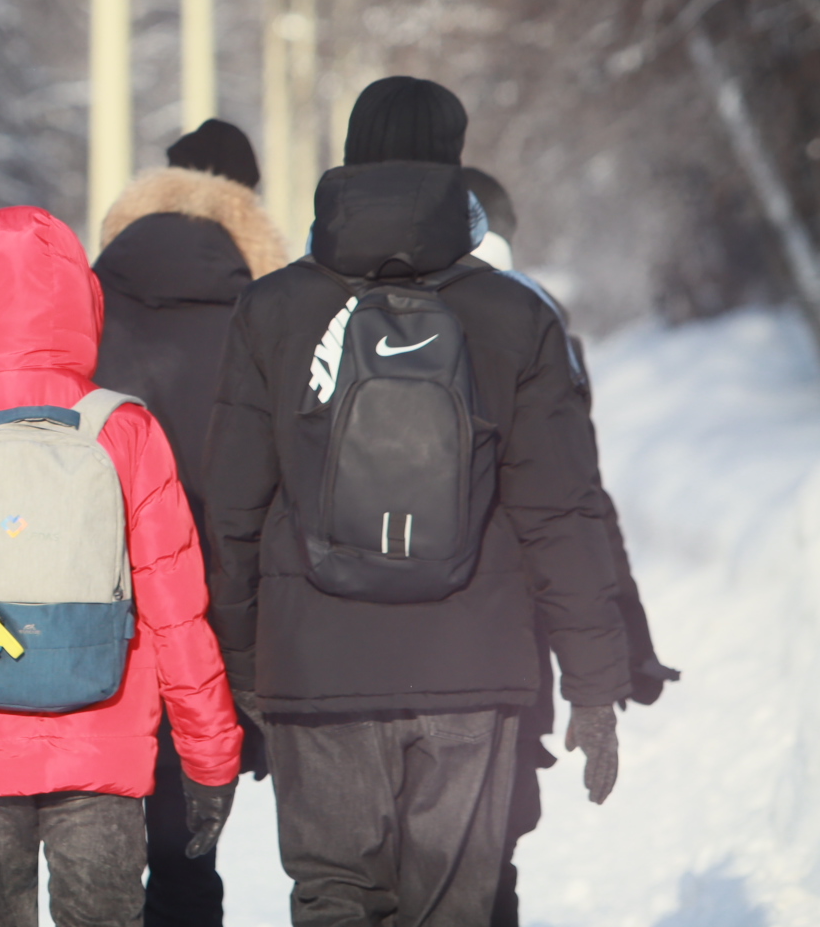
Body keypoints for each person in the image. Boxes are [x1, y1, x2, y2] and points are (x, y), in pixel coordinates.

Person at [203, 78, 633, 926]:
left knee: (332, 899)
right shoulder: (517, 315)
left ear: (351, 156)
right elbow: (560, 513)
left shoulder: (273, 309)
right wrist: (592, 682)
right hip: (470, 668)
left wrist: (247, 663)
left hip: (318, 663)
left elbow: (232, 509)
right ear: (455, 161)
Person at [0, 205, 242, 927]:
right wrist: (209, 758)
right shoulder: (128, 431)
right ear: (83, 304)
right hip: (106, 749)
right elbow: (177, 612)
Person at [460, 167, 677, 927]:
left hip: (348, 648)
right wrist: (612, 657)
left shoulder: (335, 308)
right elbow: (573, 501)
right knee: (486, 867)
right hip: (501, 648)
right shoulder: (536, 320)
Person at [94, 120, 286, 927]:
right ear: (248, 200)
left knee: (95, 860)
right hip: (212, 622)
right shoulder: (271, 315)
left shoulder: (87, 297)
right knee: (185, 860)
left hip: (83, 612)